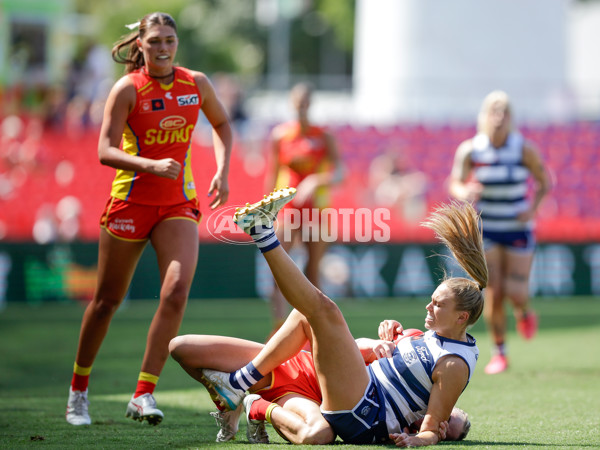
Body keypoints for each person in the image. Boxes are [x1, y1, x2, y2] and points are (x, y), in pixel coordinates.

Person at [200, 188, 486, 447]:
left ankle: (262, 233)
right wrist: (392, 335)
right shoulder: (440, 337)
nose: (428, 307)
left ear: (461, 317)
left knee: (324, 310)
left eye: (437, 305)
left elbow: (431, 427)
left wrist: (419, 440)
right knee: (306, 314)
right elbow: (412, 368)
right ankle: (241, 384)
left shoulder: (454, 363)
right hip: (364, 390)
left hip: (367, 416)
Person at [65, 12, 232, 426]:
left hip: (178, 204)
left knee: (175, 291)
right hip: (130, 203)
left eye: (169, 40)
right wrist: (149, 165)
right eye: (155, 40)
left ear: (177, 43)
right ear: (140, 44)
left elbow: (223, 124)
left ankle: (143, 394)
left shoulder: (197, 83)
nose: (163, 48)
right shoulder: (127, 88)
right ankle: (78, 392)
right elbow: (104, 150)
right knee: (105, 303)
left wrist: (222, 170)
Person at [169, 321, 470, 444]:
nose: (443, 423)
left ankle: (253, 405)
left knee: (320, 434)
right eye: (449, 416)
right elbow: (356, 346)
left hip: (300, 398)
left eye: (448, 432)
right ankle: (235, 392)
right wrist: (376, 341)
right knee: (180, 348)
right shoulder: (409, 378)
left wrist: (427, 435)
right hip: (286, 360)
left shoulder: (395, 425)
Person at [449, 90, 551, 375]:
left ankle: (524, 312)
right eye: (494, 111)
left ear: (510, 118)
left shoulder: (523, 149)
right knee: (494, 291)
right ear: (485, 116)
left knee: (516, 292)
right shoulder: (471, 149)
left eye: (504, 112)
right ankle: (500, 352)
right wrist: (464, 190)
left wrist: (532, 210)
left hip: (517, 228)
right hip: (489, 228)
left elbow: (545, 182)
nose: (499, 117)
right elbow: (455, 183)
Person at [264, 82, 344, 335]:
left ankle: (314, 329)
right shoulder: (280, 136)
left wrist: (316, 180)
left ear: (310, 103)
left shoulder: (324, 136)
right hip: (288, 208)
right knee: (277, 267)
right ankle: (278, 329)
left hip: (317, 209)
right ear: (292, 103)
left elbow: (341, 171)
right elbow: (273, 173)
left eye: (305, 102)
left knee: (313, 274)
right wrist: (267, 208)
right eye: (298, 102)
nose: (301, 107)